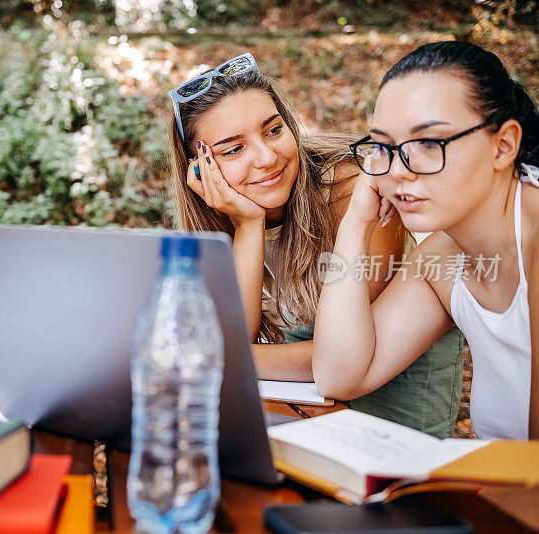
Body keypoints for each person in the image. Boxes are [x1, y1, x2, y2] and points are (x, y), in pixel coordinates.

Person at [168, 52, 464, 437]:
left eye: (273, 130)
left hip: (392, 388)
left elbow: (347, 352)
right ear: (197, 169)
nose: (266, 157)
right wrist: (248, 223)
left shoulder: (355, 191)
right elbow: (233, 336)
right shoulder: (222, 214)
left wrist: (226, 357)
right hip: (297, 386)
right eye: (233, 149)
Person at [313, 41, 539, 440]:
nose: (400, 170)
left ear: (503, 146)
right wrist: (354, 225)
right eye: (384, 147)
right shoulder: (444, 254)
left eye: (429, 143)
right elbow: (341, 375)